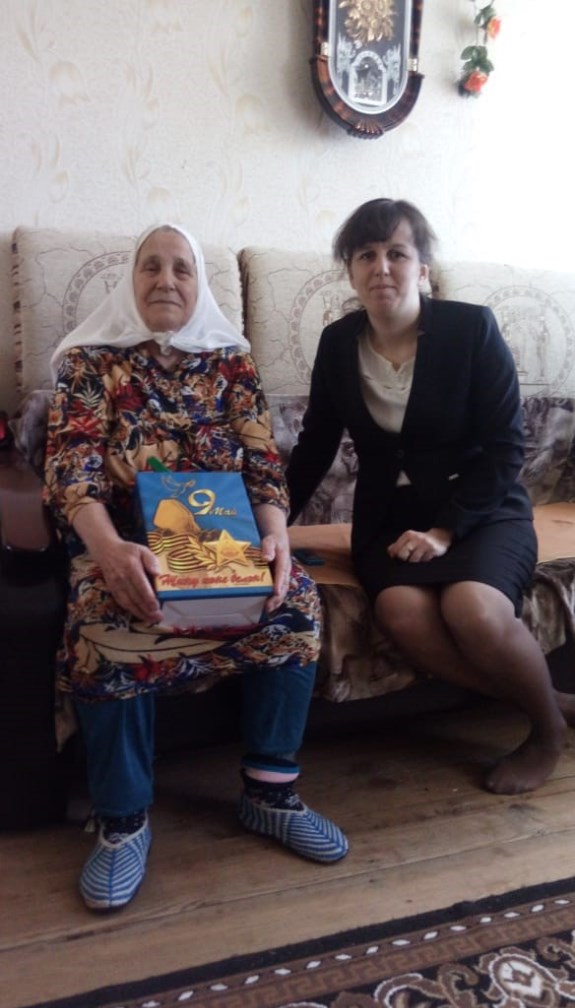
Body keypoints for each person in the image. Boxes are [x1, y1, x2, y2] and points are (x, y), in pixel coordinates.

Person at [44, 224, 348, 912]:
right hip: (124, 543)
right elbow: (72, 471)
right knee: (100, 618)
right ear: (130, 280)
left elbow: (264, 467)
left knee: (296, 600)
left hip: (220, 539)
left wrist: (275, 539)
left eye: (182, 268)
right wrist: (108, 549)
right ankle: (122, 820)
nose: (166, 280)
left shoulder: (231, 363)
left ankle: (270, 793)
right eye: (150, 267)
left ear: (199, 284)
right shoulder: (89, 362)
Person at [287, 197, 575, 797]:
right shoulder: (337, 344)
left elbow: (506, 448)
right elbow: (314, 444)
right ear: (351, 272)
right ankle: (553, 702)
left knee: (474, 609)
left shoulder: (471, 330)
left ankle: (547, 733)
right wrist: (269, 523)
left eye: (397, 253)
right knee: (402, 613)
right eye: (366, 255)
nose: (381, 267)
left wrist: (445, 531)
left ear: (422, 268)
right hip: (389, 522)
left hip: (481, 509)